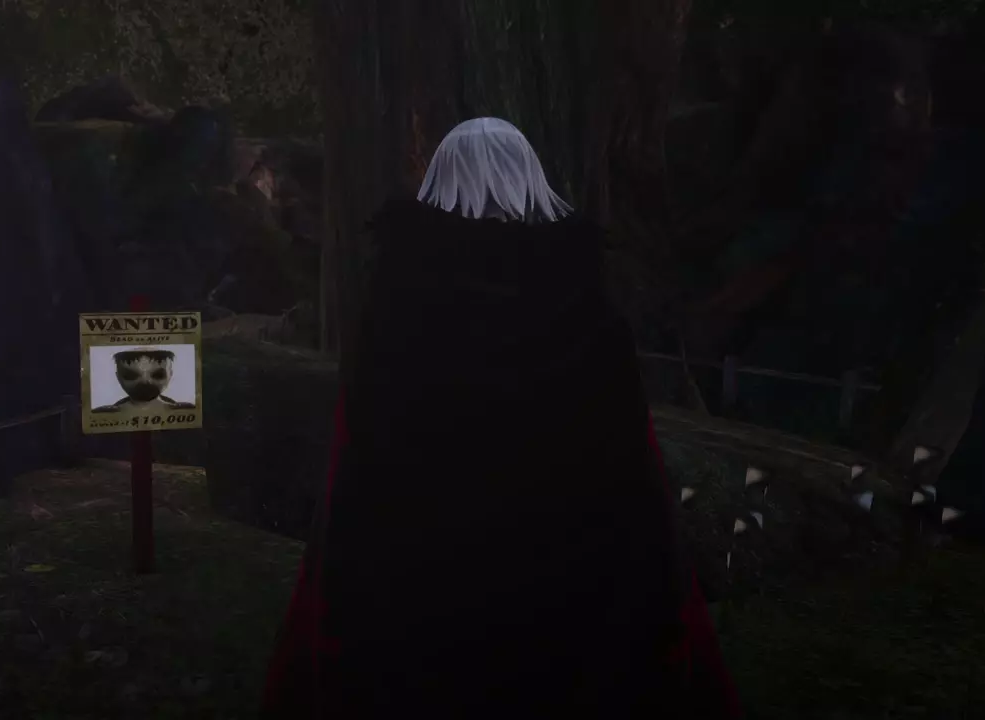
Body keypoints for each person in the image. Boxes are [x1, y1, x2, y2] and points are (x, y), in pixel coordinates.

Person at [259, 117, 742, 719]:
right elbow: (626, 452)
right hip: (565, 557)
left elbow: (362, 442)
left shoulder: (397, 295)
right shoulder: (583, 295)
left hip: (423, 561)